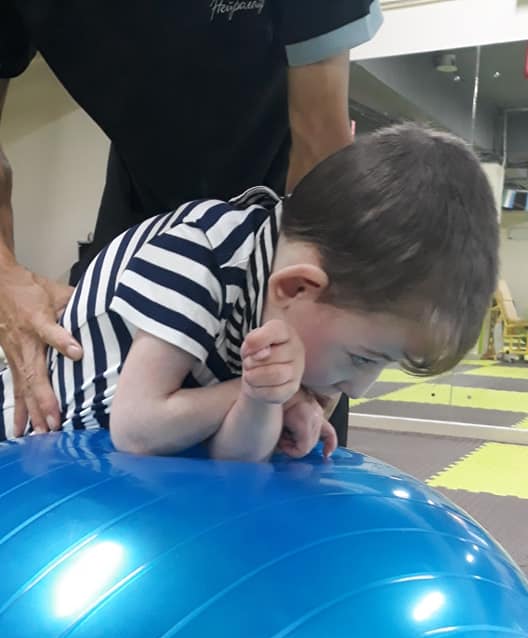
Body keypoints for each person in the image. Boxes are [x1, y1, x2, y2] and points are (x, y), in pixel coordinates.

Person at [0, 0, 383, 442]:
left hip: (283, 206)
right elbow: (137, 427)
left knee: (294, 430)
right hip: (143, 202)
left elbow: (319, 138)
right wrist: (6, 279)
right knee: (84, 424)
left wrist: (308, 355)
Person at [0, 125, 499, 461]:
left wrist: (265, 403)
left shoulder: (283, 303)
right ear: (298, 286)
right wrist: (249, 392)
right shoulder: (202, 254)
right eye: (364, 358)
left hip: (133, 455)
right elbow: (136, 427)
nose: (359, 388)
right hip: (39, 440)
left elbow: (235, 459)